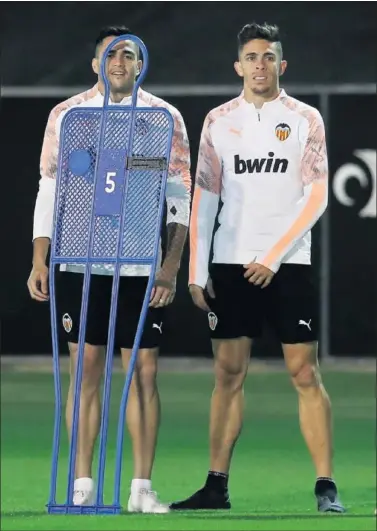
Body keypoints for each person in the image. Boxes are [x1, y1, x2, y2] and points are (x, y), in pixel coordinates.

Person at [170, 22, 345, 514]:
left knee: (303, 371)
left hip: (287, 264)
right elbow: (204, 195)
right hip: (228, 262)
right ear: (238, 66)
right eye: (251, 57)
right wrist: (195, 270)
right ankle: (215, 488)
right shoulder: (218, 120)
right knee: (227, 373)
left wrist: (272, 257)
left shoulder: (306, 118)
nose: (260, 66)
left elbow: (315, 195)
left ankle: (325, 486)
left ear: (281, 65)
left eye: (268, 57)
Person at [27, 25, 191, 514]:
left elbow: (179, 194)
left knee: (143, 370)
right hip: (79, 261)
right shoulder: (68, 115)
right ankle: (82, 484)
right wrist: (40, 255)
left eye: (128, 54)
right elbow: (49, 188)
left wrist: (170, 264)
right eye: (110, 55)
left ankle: (141, 489)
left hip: (140, 263)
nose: (119, 62)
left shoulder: (164, 117)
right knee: (86, 371)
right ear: (95, 63)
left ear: (141, 63)